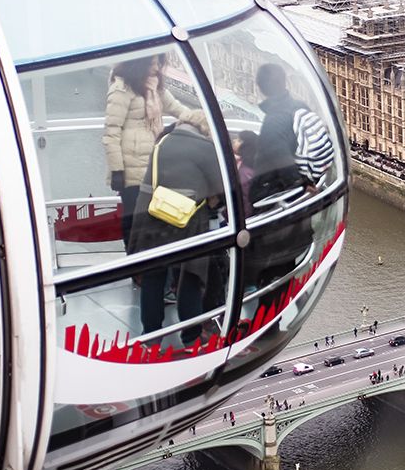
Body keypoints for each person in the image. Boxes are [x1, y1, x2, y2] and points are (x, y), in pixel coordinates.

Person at [129, 121, 225, 346]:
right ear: (204, 130)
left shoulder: (162, 142)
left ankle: (150, 336)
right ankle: (190, 335)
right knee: (190, 275)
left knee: (154, 277)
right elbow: (222, 187)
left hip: (154, 215)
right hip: (187, 221)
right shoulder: (206, 148)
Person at [104, 54, 208, 250]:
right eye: (152, 63)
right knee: (133, 216)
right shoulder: (122, 88)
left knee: (151, 214)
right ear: (139, 63)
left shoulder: (154, 87)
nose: (157, 67)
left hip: (153, 162)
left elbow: (177, 109)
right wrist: (117, 169)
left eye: (159, 62)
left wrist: (204, 120)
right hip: (131, 165)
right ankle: (134, 260)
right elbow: (111, 131)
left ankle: (149, 259)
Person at [244, 62, 334, 288]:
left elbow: (277, 156)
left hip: (278, 202)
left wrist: (300, 183)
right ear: (285, 81)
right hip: (297, 206)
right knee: (286, 265)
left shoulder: (274, 119)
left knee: (269, 270)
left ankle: (267, 315)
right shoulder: (300, 107)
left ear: (261, 88)